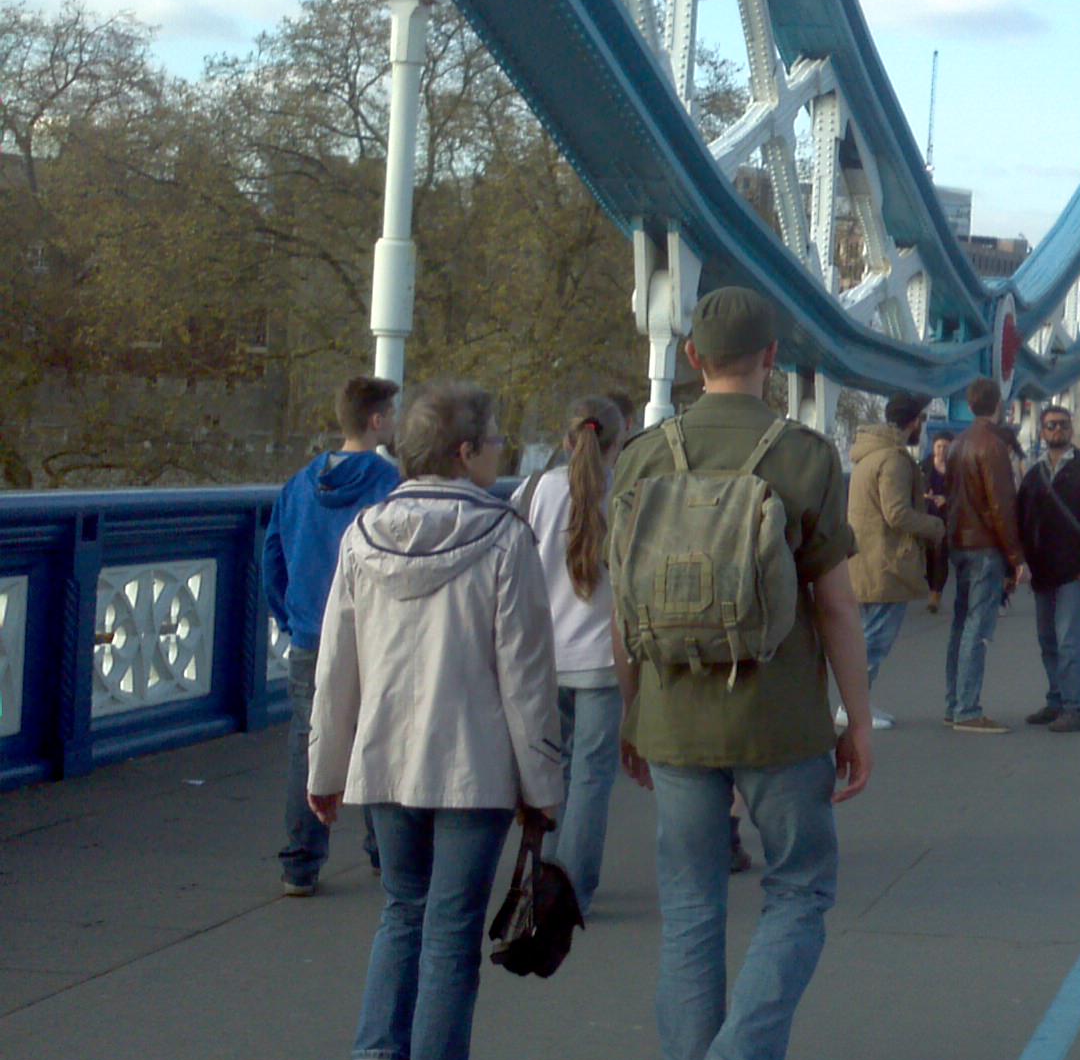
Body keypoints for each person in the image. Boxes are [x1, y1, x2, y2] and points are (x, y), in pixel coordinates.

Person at [609, 287, 875, 1060]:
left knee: (692, 908)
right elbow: (837, 609)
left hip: (673, 712)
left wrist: (633, 712)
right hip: (781, 718)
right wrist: (855, 721)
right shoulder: (806, 455)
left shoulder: (645, 456)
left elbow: (623, 612)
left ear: (692, 359)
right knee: (799, 891)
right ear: (773, 359)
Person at [307, 381, 563, 1060]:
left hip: (385, 764)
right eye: (498, 440)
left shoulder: (362, 535)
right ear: (465, 451)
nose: (504, 452)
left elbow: (338, 669)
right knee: (451, 936)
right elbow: (528, 679)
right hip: (472, 772)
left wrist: (325, 770)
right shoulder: (506, 537)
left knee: (401, 914)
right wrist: (543, 788)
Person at [266, 374, 404, 897]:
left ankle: (300, 862)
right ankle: (384, 852)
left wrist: (292, 615)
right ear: (376, 421)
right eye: (391, 414)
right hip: (372, 632)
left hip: (310, 632)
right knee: (379, 740)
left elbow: (272, 558)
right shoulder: (388, 487)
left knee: (308, 743)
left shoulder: (298, 485)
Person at [521, 394, 627, 919]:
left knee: (549, 768)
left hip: (544, 654)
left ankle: (538, 872)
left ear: (567, 441)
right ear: (618, 444)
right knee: (591, 775)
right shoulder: (627, 493)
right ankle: (572, 886)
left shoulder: (538, 489)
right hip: (603, 658)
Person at [848, 393, 947, 731]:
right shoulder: (893, 460)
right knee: (874, 641)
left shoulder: (868, 456)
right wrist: (934, 526)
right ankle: (854, 709)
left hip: (865, 560)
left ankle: (858, 704)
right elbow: (897, 513)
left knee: (865, 637)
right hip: (885, 564)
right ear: (914, 421)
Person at [1017, 405, 1080, 732]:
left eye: (1061, 425)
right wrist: (1017, 564)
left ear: (1071, 430)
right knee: (1047, 639)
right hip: (1043, 570)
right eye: (1050, 426)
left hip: (1075, 570)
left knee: (1069, 639)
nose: (1056, 430)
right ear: (1042, 432)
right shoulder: (1034, 475)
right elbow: (1021, 521)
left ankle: (1077, 707)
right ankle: (1056, 700)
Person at [942, 376, 1028, 734]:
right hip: (984, 546)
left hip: (959, 542)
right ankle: (967, 708)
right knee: (978, 628)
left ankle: (954, 702)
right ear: (999, 405)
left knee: (961, 625)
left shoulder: (957, 445)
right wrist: (1016, 557)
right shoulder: (992, 447)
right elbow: (1001, 506)